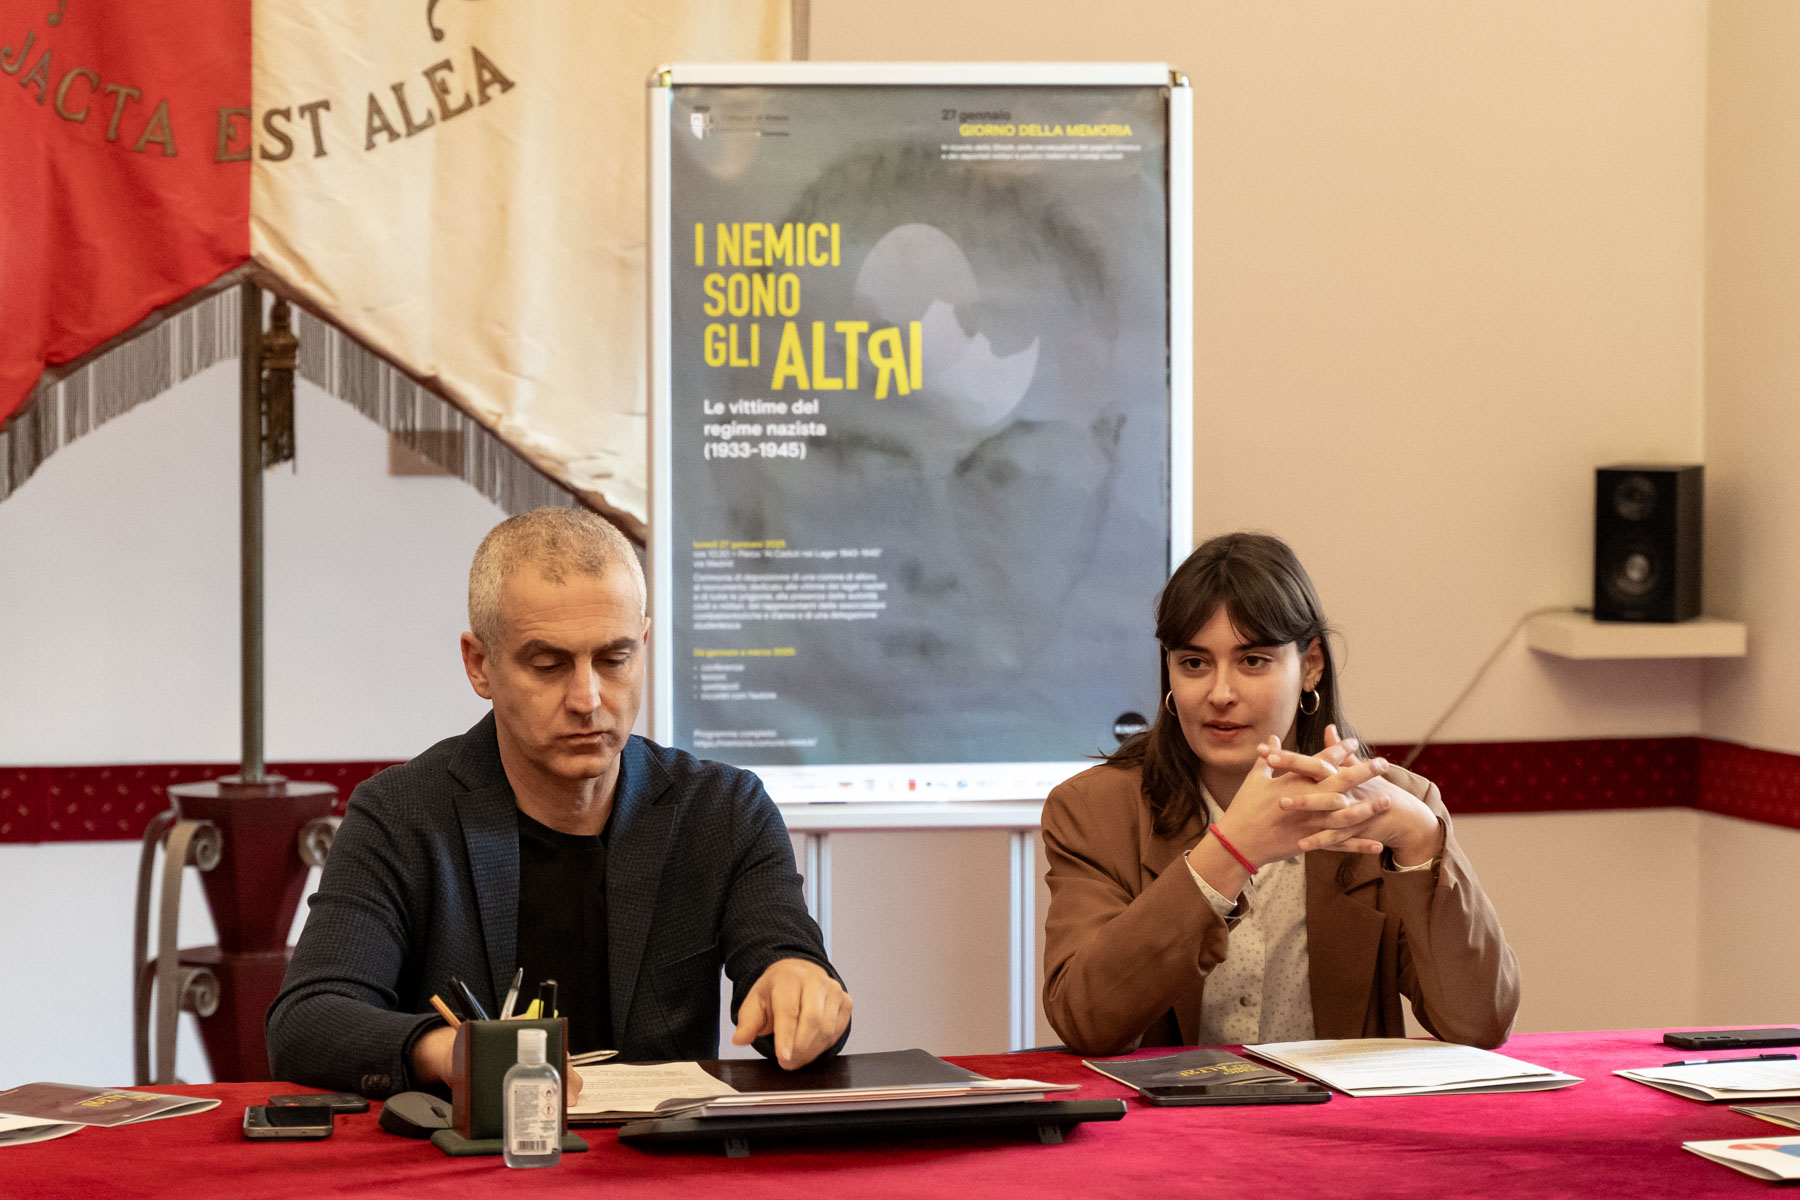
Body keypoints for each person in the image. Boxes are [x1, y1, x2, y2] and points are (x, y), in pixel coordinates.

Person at [266, 507, 851, 1098]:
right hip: (480, 1153)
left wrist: (800, 984)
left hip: (660, 1151)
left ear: (644, 646)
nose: (587, 698)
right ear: (479, 664)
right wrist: (449, 1052)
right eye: (548, 665)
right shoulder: (400, 815)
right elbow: (308, 1021)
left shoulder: (723, 811)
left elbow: (787, 960)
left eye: (614, 660)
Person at [1041, 532, 1519, 1056]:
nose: (1220, 694)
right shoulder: (1094, 810)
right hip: (1171, 1110)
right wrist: (1228, 853)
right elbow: (1087, 1022)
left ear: (1310, 665)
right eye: (1194, 663)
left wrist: (1425, 841)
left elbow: (1478, 1024)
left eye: (1253, 661)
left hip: (1336, 1109)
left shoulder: (1394, 806)